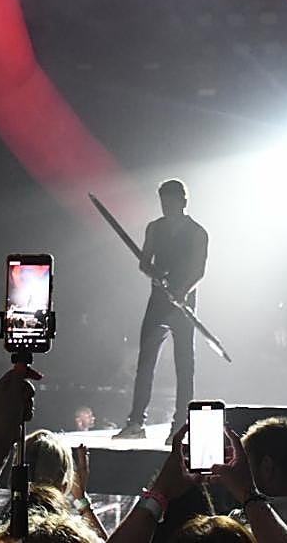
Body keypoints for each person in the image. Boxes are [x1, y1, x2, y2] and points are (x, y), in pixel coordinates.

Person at [115, 179, 209, 442]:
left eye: (170, 201)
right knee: (145, 362)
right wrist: (153, 273)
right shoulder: (154, 228)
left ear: (183, 201)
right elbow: (144, 263)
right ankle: (136, 423)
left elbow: (199, 270)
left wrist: (182, 291)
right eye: (163, 202)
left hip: (183, 304)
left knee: (184, 365)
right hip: (158, 303)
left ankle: (180, 426)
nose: (166, 206)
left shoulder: (198, 232)